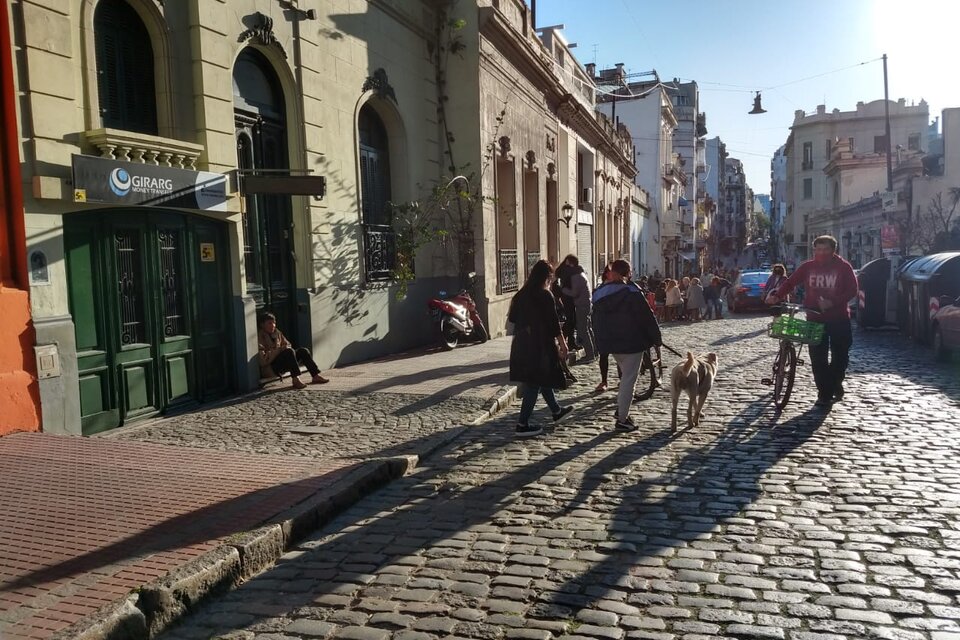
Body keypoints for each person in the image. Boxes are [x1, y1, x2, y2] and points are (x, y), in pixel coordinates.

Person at [766, 235, 858, 409]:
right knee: (817, 359)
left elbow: (853, 290)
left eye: (825, 249)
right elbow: (791, 282)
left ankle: (835, 383)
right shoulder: (808, 267)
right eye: (818, 249)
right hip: (814, 318)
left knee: (841, 357)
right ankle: (824, 394)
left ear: (833, 250)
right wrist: (777, 295)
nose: (821, 253)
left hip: (839, 319)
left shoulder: (843, 267)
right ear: (814, 250)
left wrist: (833, 302)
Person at [592, 260, 663, 432]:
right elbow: (647, 316)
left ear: (612, 272)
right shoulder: (632, 291)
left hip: (612, 344)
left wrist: (602, 343)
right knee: (628, 381)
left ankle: (622, 410)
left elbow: (595, 321)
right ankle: (622, 418)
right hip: (632, 342)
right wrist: (656, 339)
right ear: (628, 272)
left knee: (626, 378)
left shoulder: (599, 293)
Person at [508, 260, 574, 437]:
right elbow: (553, 323)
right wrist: (563, 343)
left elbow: (513, 318)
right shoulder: (545, 295)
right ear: (548, 277)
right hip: (540, 344)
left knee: (541, 377)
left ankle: (556, 411)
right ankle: (522, 424)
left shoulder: (521, 294)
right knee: (534, 383)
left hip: (522, 343)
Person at [258, 312, 328, 389]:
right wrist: (279, 350)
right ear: (262, 325)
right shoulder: (259, 337)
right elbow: (263, 360)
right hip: (271, 367)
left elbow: (288, 345)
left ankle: (315, 375)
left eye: (274, 323)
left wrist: (284, 349)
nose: (273, 326)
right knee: (289, 352)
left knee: (303, 351)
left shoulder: (277, 333)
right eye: (269, 323)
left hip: (284, 362)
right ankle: (295, 379)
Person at [560, 255, 596, 361]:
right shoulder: (581, 273)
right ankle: (594, 351)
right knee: (588, 328)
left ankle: (590, 354)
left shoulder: (575, 276)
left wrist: (563, 289)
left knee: (582, 330)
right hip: (587, 303)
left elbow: (574, 293)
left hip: (582, 305)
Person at [594, 264, 623, 393]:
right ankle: (604, 380)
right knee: (604, 355)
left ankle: (622, 379)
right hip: (604, 327)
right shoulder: (601, 290)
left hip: (618, 327)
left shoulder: (621, 288)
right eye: (612, 272)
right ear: (607, 274)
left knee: (620, 356)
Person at [554, 256, 578, 351]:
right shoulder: (565, 271)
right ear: (568, 261)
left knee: (571, 321)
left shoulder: (563, 270)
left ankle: (569, 342)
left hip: (568, 297)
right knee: (570, 321)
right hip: (567, 298)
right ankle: (566, 341)